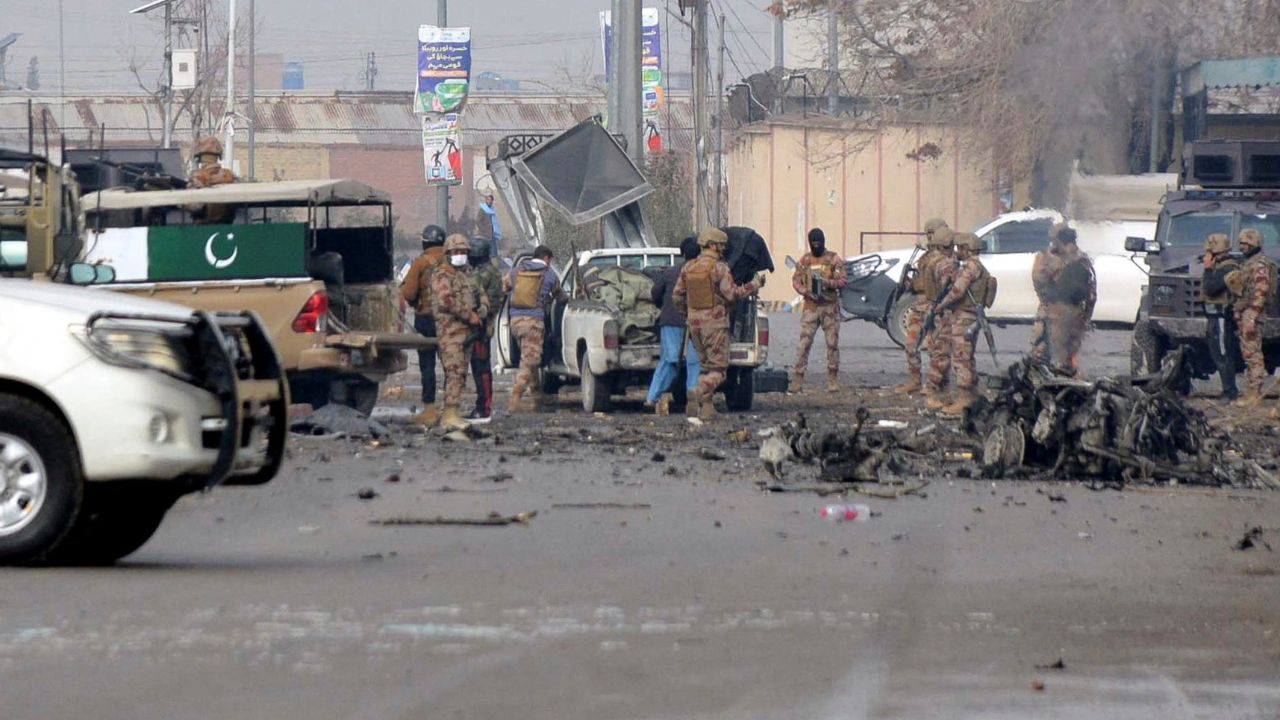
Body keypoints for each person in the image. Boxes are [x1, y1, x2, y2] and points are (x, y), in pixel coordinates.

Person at [673, 227, 764, 421]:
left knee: (706, 367)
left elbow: (677, 296)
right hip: (715, 325)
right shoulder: (719, 268)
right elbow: (732, 294)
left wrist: (688, 315)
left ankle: (707, 409)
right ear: (713, 245)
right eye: (722, 245)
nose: (724, 249)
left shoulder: (688, 267)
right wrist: (753, 285)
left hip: (694, 325)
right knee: (719, 371)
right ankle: (698, 391)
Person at [430, 234, 489, 431]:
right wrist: (468, 315)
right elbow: (445, 301)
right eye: (456, 252)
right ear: (448, 253)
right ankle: (449, 412)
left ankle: (453, 411)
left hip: (468, 333)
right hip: (450, 333)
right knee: (454, 372)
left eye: (463, 252)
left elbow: (481, 296)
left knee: (461, 373)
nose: (460, 256)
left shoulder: (468, 274)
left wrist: (480, 312)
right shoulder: (442, 275)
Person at [933, 232, 994, 415]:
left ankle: (964, 399)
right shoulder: (979, 266)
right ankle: (972, 396)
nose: (957, 251)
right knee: (968, 357)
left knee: (960, 358)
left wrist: (941, 305)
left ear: (967, 250)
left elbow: (958, 291)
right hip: (971, 316)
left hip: (964, 317)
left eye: (960, 248)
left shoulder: (970, 267)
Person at [503, 245, 568, 412]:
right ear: (546, 258)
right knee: (530, 360)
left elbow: (505, 287)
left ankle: (538, 397)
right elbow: (560, 296)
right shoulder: (549, 274)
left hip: (515, 321)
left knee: (528, 358)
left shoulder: (516, 270)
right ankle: (515, 398)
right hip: (533, 322)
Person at [645, 237, 702, 415]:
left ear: (682, 254)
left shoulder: (671, 272)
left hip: (671, 321)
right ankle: (693, 395)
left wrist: (662, 305)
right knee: (694, 361)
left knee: (669, 361)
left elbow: (655, 293)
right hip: (696, 323)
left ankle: (653, 397)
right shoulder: (703, 273)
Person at [895, 219, 952, 395]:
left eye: (932, 233)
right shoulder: (925, 257)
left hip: (936, 306)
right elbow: (921, 281)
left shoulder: (946, 258)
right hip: (920, 305)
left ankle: (939, 383)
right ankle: (915, 380)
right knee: (911, 343)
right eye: (928, 233)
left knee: (938, 348)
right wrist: (909, 284)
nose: (929, 237)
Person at [400, 224, 447, 426]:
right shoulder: (451, 262)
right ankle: (451, 409)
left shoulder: (420, 263)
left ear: (424, 242)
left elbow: (409, 293)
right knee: (451, 365)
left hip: (426, 319)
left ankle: (429, 410)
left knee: (427, 366)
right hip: (449, 319)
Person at [790, 228, 847, 393]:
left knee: (832, 344)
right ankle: (798, 379)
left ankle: (832, 380)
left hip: (829, 307)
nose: (816, 246)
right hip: (811, 307)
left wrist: (827, 283)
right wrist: (805, 291)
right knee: (804, 344)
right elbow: (796, 280)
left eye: (818, 243)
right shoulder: (805, 260)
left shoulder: (833, 259)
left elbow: (843, 280)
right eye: (813, 243)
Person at [1226, 227, 1277, 407]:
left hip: (1252, 314)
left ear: (1255, 244)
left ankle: (1254, 394)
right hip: (1245, 312)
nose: (1243, 247)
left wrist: (1252, 315)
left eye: (1247, 243)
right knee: (1249, 353)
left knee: (1253, 354)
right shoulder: (1248, 263)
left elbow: (1261, 290)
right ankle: (1251, 392)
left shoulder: (1259, 264)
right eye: (1241, 243)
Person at [1041, 224, 1096, 375]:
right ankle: (1069, 376)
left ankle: (1063, 381)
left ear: (1061, 241)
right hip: (1077, 311)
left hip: (1061, 311)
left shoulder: (1060, 261)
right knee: (1071, 350)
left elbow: (1042, 280)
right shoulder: (1084, 261)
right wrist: (1087, 316)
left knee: (1060, 352)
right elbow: (1092, 292)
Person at [467, 237, 506, 422]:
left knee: (481, 367)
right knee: (478, 366)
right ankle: (482, 405)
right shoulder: (487, 270)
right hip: (480, 324)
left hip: (481, 326)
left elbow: (482, 299)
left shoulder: (485, 273)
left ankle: (484, 406)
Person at [1201, 232, 1243, 400]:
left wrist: (1207, 269)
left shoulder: (1228, 268)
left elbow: (1211, 288)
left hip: (1221, 318)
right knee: (1218, 354)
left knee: (1223, 355)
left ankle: (1230, 392)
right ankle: (1228, 390)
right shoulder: (1221, 268)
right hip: (1215, 318)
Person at [923, 233, 960, 410]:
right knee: (942, 354)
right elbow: (949, 288)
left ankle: (943, 393)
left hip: (935, 308)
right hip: (944, 312)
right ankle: (931, 392)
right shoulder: (944, 264)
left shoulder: (931, 260)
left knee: (939, 351)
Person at [1029, 225, 1065, 363]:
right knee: (1040, 340)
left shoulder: (1069, 257)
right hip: (1049, 305)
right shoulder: (1045, 257)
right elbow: (1039, 279)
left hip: (1063, 308)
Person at [475, 192, 503, 260]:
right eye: (488, 200)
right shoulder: (483, 210)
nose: (489, 201)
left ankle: (494, 267)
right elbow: (478, 221)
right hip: (484, 235)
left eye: (491, 200)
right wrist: (483, 230)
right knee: (485, 252)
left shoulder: (492, 210)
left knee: (494, 253)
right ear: (486, 200)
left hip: (492, 235)